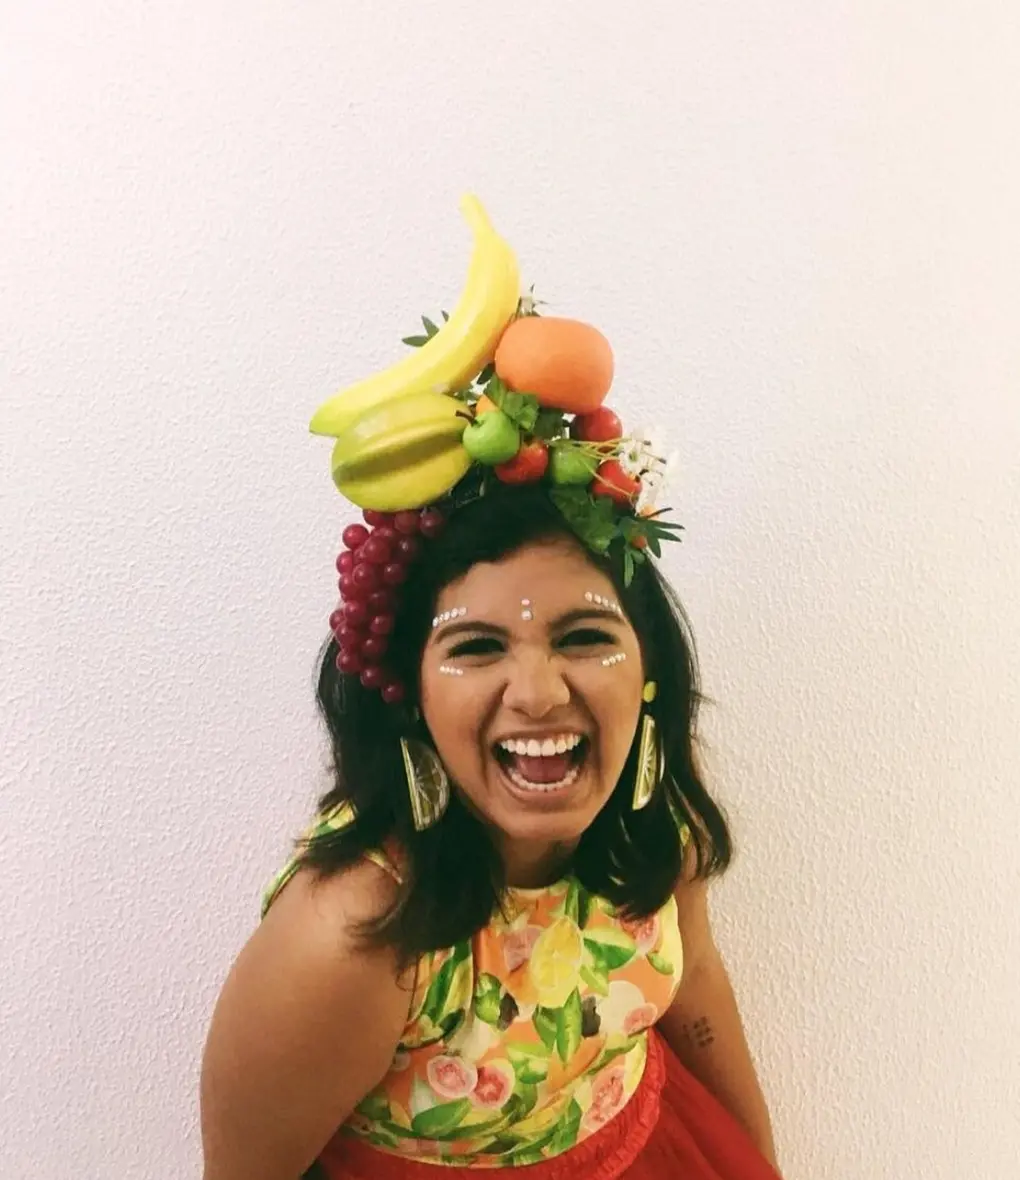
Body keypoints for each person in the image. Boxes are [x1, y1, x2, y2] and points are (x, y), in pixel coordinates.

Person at [200, 197, 781, 1179]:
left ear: (649, 670)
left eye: (585, 636)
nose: (540, 692)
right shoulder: (350, 941)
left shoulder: (651, 823)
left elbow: (698, 999)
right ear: (408, 692)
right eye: (475, 648)